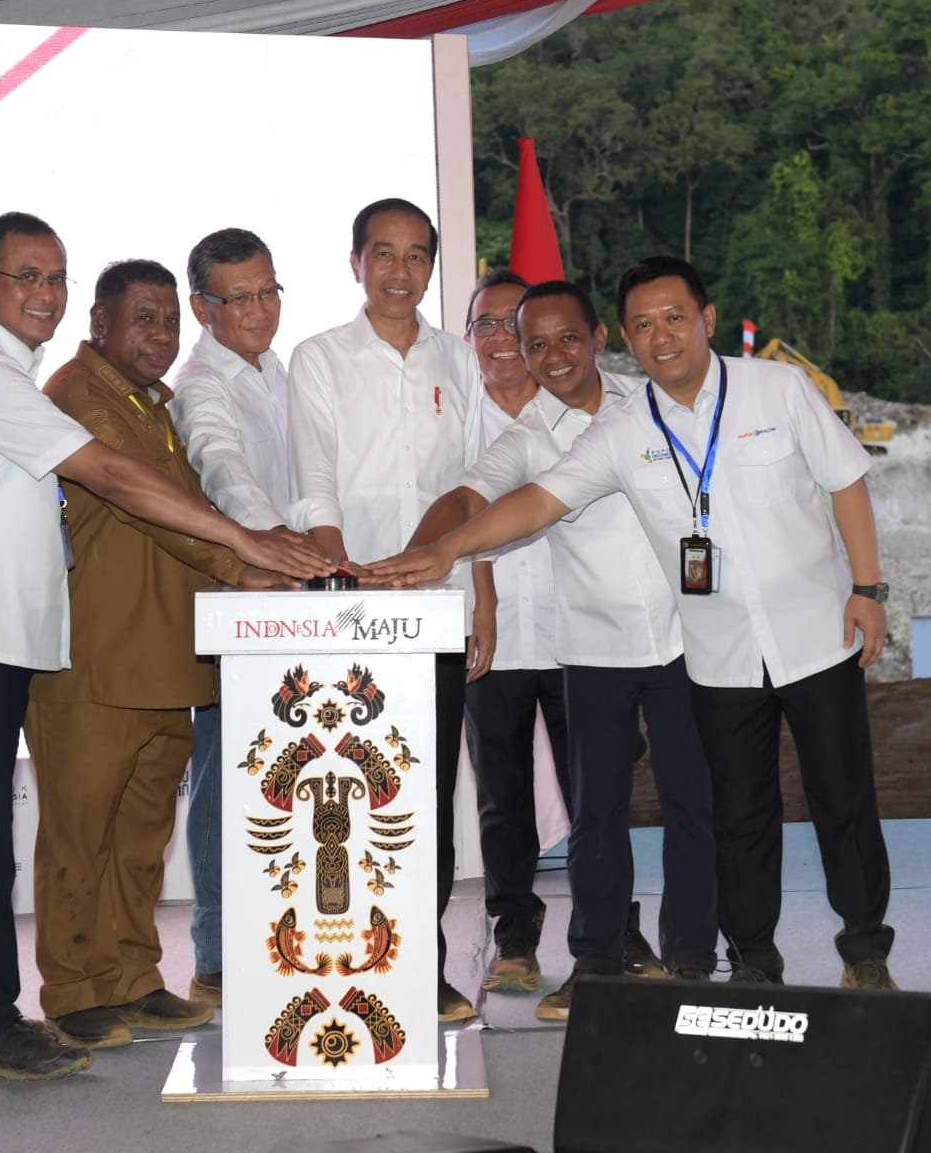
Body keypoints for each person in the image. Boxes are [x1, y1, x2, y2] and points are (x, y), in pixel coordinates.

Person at [366, 255, 897, 991]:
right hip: (714, 658)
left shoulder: (777, 388)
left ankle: (864, 954)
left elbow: (846, 481)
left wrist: (868, 587)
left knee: (841, 802)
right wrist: (446, 550)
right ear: (627, 335)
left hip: (811, 635)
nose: (662, 336)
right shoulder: (621, 431)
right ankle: (751, 965)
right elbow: (536, 502)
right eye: (644, 325)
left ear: (706, 320)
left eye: (674, 318)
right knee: (739, 818)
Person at [0, 214, 328, 1082]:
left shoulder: (75, 385)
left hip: (5, 634)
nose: (42, 294)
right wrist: (249, 549)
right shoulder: (2, 376)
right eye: (26, 278)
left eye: (53, 277)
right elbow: (121, 481)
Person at [404, 280, 717, 1022]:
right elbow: (473, 497)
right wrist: (423, 549)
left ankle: (694, 962)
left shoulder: (651, 402)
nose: (552, 356)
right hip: (594, 649)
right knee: (597, 815)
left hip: (683, 638)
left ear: (599, 336)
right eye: (535, 343)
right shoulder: (523, 437)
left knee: (694, 807)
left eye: (566, 338)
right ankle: (597, 963)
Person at [26, 258, 295, 1049]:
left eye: (171, 319)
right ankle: (76, 992)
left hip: (165, 660)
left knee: (141, 838)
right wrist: (242, 561)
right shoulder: (78, 394)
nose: (162, 335)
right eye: (142, 318)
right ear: (98, 325)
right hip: (92, 664)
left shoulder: (155, 402)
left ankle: (134, 977)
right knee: (81, 837)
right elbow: (142, 500)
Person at [287, 197, 490, 1022]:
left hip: (437, 613)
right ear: (356, 263)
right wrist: (341, 584)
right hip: (349, 616)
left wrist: (480, 599)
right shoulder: (319, 357)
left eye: (415, 256)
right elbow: (314, 483)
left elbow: (477, 486)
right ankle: (332, 967)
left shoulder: (462, 361)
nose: (399, 272)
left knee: (425, 799)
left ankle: (421, 968)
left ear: (431, 267)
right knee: (342, 798)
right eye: (383, 254)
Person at [170, 227, 298, 1008]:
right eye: (238, 297)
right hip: (242, 603)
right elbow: (221, 465)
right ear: (201, 307)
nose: (258, 310)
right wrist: (274, 543)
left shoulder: (278, 368)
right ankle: (216, 958)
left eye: (268, 292)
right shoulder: (201, 382)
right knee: (223, 781)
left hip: (299, 605)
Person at [458, 271, 573, 996]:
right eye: (485, 326)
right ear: (468, 339)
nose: (500, 339)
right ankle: (515, 940)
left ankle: (610, 933)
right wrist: (486, 603)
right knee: (502, 798)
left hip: (577, 634)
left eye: (512, 324)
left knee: (597, 791)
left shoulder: (576, 415)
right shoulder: (453, 419)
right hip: (488, 636)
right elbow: (463, 520)